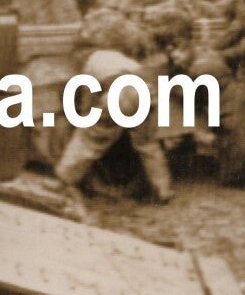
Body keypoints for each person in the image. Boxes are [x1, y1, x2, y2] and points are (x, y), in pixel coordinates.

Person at [54, 46, 174, 206]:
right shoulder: (116, 56)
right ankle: (163, 189)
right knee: (148, 145)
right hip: (148, 92)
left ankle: (63, 178)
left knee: (89, 141)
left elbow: (88, 101)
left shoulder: (89, 65)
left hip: (122, 92)